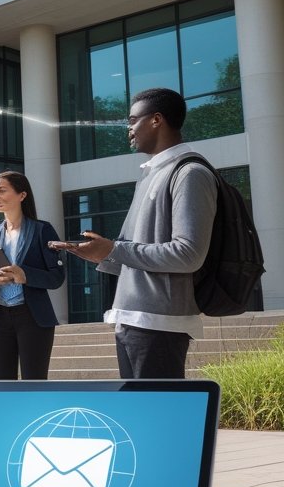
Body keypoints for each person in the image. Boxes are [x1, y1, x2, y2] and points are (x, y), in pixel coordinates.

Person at [56, 88, 217, 379]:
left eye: (132, 121)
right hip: (131, 318)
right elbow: (129, 250)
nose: (129, 130)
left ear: (156, 120)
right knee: (142, 419)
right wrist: (98, 253)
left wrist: (114, 250)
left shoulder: (190, 173)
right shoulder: (148, 175)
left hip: (160, 322)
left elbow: (189, 254)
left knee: (159, 417)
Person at [0, 171, 66, 380]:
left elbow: (56, 277)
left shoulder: (42, 230)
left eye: (2, 190)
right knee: (1, 388)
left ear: (22, 195)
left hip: (33, 318)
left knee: (34, 383)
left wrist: (24, 275)